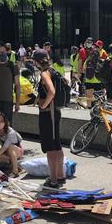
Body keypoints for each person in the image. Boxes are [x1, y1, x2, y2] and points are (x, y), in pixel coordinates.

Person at [33, 50, 65, 188]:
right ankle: (60, 175)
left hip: (48, 114)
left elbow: (52, 91)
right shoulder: (53, 71)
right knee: (56, 144)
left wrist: (43, 104)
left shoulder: (45, 73)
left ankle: (53, 180)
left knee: (50, 147)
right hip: (55, 112)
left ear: (37, 62)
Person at [81, 43, 108, 107]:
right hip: (98, 82)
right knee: (99, 100)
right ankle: (98, 112)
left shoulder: (87, 61)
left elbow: (83, 70)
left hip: (89, 81)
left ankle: (89, 110)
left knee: (89, 99)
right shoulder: (101, 61)